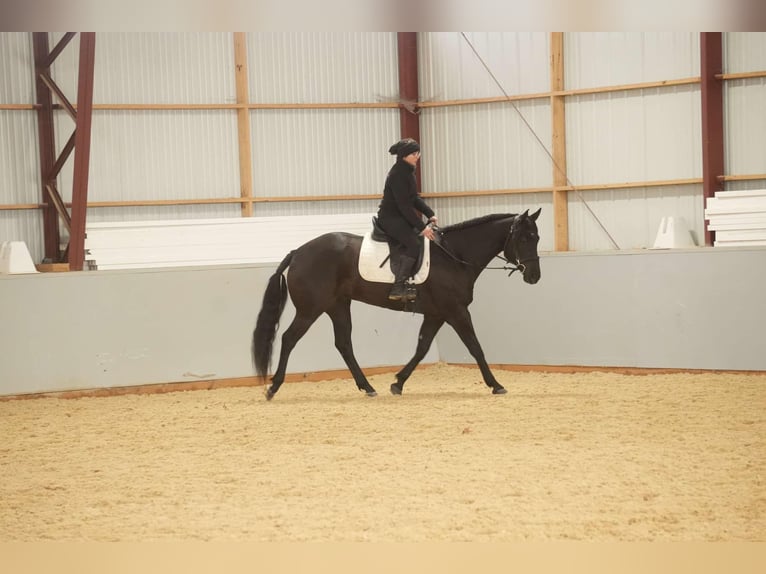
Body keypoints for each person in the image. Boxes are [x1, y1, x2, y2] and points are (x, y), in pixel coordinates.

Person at [376, 138, 437, 301]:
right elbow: (404, 206)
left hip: (400, 216)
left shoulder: (408, 171)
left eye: (418, 153)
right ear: (404, 155)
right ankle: (398, 286)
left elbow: (413, 198)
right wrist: (422, 227)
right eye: (414, 153)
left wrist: (430, 213)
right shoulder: (397, 174)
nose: (417, 156)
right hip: (390, 218)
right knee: (414, 244)